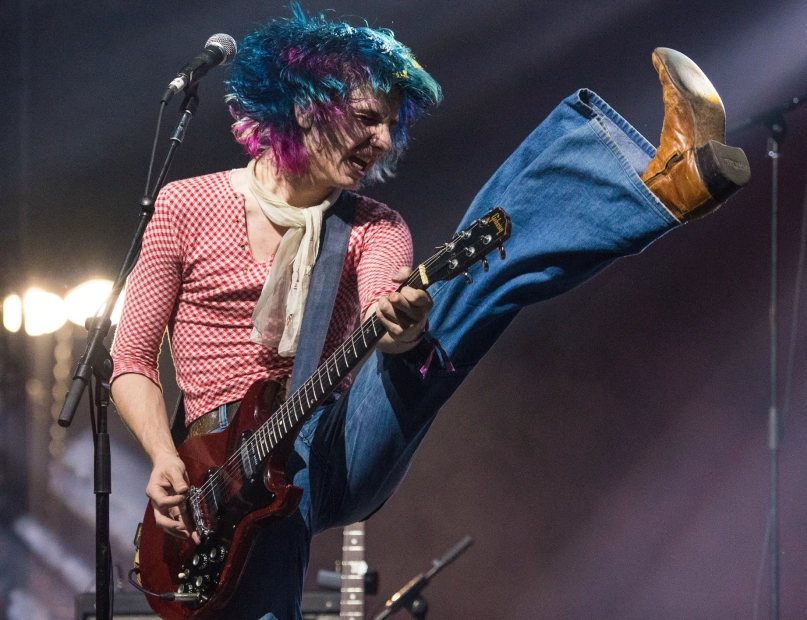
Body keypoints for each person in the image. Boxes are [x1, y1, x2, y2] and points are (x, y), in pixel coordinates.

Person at [110, 5, 749, 620]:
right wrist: (164, 458)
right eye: (366, 118)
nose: (383, 141)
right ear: (305, 105)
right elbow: (131, 359)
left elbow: (392, 320)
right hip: (217, 475)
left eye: (390, 125)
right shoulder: (185, 206)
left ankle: (654, 186)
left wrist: (406, 327)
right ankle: (649, 187)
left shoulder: (373, 229)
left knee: (450, 292)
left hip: (329, 442)